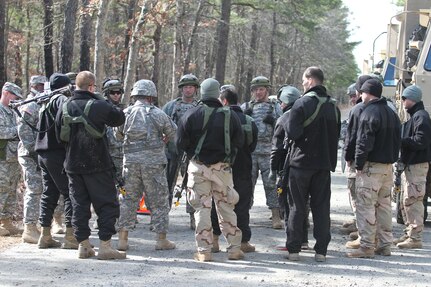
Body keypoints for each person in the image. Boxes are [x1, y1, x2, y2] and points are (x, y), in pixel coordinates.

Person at [55, 71, 126, 260]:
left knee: (79, 204)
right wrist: (104, 100)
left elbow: (58, 134)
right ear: (92, 87)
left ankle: (83, 246)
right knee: (107, 204)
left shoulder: (65, 106)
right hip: (98, 164)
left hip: (72, 164)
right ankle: (105, 246)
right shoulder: (99, 105)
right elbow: (119, 118)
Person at [176, 78, 245, 262]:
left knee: (202, 209)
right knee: (226, 207)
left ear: (202, 93)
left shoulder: (190, 114)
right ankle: (234, 249)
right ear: (217, 95)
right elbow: (240, 141)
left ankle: (204, 251)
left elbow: (180, 143)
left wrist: (195, 154)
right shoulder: (231, 116)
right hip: (223, 169)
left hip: (198, 168)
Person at [284, 67, 340, 262]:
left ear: (310, 80)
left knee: (297, 207)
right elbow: (336, 136)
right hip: (323, 165)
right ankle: (321, 251)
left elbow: (292, 133)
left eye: (303, 80)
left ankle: (294, 250)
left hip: (301, 164)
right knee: (321, 208)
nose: (302, 84)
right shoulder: (334, 106)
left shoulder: (301, 103)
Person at [117, 79, 177, 251]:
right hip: (154, 164)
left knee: (128, 199)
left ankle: (123, 239)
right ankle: (161, 239)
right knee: (159, 200)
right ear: (151, 96)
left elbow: (117, 136)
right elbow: (172, 132)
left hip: (131, 164)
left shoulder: (126, 113)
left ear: (135, 95)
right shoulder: (158, 114)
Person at [346, 79, 401, 258]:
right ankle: (385, 245)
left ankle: (367, 246)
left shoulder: (369, 112)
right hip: (387, 168)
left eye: (361, 93)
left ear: (367, 93)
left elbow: (363, 141)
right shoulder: (392, 112)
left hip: (371, 168)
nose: (360, 96)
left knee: (366, 206)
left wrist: (359, 164)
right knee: (384, 206)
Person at [210, 86, 258, 253]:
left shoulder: (216, 119)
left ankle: (214, 241)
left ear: (223, 101)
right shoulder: (249, 121)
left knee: (217, 202)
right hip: (243, 168)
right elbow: (252, 145)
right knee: (242, 204)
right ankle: (243, 242)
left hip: (220, 167)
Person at [35, 73, 77, 249]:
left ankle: (45, 235)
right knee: (70, 193)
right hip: (57, 153)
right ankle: (70, 236)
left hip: (43, 153)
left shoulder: (45, 100)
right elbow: (68, 118)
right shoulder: (60, 99)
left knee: (49, 193)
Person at [269, 85, 311, 250]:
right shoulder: (306, 115)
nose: (279, 105)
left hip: (288, 168)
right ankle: (304, 240)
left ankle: (292, 242)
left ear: (285, 102)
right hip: (305, 166)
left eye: (280, 102)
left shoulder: (283, 119)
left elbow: (277, 149)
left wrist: (273, 170)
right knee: (303, 205)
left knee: (288, 205)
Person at [241, 76, 283, 229]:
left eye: (261, 89)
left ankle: (276, 215)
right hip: (250, 152)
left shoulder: (275, 106)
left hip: (268, 152)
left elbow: (283, 123)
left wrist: (274, 121)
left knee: (271, 184)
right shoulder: (246, 106)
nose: (258, 92)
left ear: (267, 90)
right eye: (255, 90)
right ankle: (244, 214)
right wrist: (244, 115)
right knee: (246, 184)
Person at [395, 85, 431, 249]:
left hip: (417, 165)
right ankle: (409, 233)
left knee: (414, 200)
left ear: (413, 99)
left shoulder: (421, 117)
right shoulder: (415, 117)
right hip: (411, 164)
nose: (402, 101)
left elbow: (421, 141)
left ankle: (415, 238)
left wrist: (401, 141)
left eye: (404, 98)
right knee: (407, 200)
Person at [162, 74, 199, 229]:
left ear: (195, 89)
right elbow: (161, 124)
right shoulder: (170, 106)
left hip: (192, 154)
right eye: (185, 87)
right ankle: (162, 218)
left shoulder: (200, 107)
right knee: (166, 185)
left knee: (192, 185)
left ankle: (193, 217)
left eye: (191, 87)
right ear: (181, 89)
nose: (188, 90)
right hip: (172, 151)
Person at [342, 76, 371, 243]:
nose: (352, 98)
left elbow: (353, 137)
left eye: (354, 94)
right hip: (376, 162)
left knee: (358, 195)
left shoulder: (359, 110)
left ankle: (364, 233)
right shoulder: (385, 108)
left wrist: (348, 156)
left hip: (358, 161)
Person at [17, 75, 46, 243]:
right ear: (35, 86)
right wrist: (34, 153)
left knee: (39, 189)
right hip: (30, 155)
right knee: (34, 190)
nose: (44, 88)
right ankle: (29, 228)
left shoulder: (39, 102)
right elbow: (24, 131)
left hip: (37, 153)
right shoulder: (30, 104)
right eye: (42, 85)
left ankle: (37, 225)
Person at [0, 82, 23, 237]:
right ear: (6, 93)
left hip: (13, 157)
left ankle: (6, 221)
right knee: (1, 188)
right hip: (2, 158)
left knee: (11, 189)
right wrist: (18, 130)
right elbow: (1, 132)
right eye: (14, 96)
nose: (16, 100)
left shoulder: (13, 111)